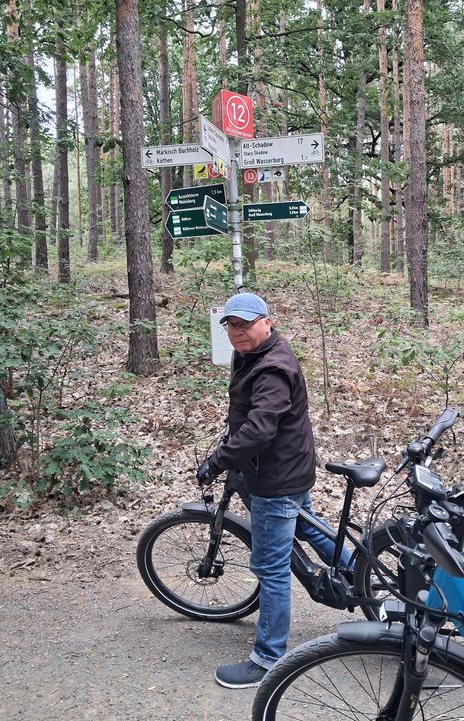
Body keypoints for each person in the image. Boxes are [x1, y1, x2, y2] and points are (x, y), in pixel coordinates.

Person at [197, 292, 351, 689]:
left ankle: (267, 659)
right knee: (307, 527)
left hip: (274, 478)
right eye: (231, 325)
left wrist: (218, 460)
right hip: (289, 468)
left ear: (267, 321)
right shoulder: (250, 355)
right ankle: (360, 575)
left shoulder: (272, 367)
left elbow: (260, 428)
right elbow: (250, 415)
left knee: (271, 568)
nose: (238, 332)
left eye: (246, 324)